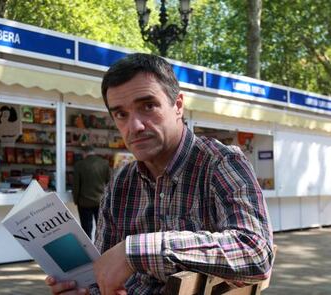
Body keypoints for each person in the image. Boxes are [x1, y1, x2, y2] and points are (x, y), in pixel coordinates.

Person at [46, 53, 274, 294]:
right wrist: (87, 289)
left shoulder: (221, 163)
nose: (134, 126)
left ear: (177, 105)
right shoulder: (120, 184)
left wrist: (136, 251)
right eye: (121, 114)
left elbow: (255, 253)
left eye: (148, 106)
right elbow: (105, 273)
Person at [73, 145, 111, 240]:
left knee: (86, 228)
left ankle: (89, 248)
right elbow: (110, 182)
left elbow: (76, 185)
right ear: (93, 152)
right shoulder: (104, 163)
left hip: (84, 202)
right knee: (101, 226)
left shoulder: (79, 165)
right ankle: (99, 246)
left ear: (84, 153)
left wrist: (76, 200)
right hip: (100, 200)